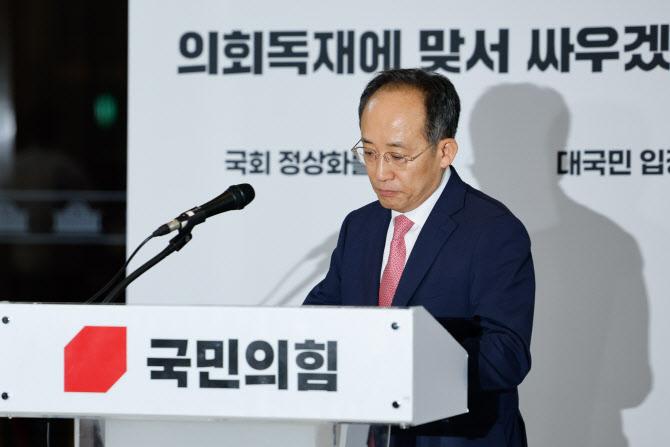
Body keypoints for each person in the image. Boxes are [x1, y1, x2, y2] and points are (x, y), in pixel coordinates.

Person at [304, 68, 535, 447]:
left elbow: (506, 355)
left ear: (445, 151)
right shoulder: (360, 226)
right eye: (369, 153)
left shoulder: (493, 230)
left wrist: (402, 360)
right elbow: (321, 318)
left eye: (398, 156)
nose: (380, 173)